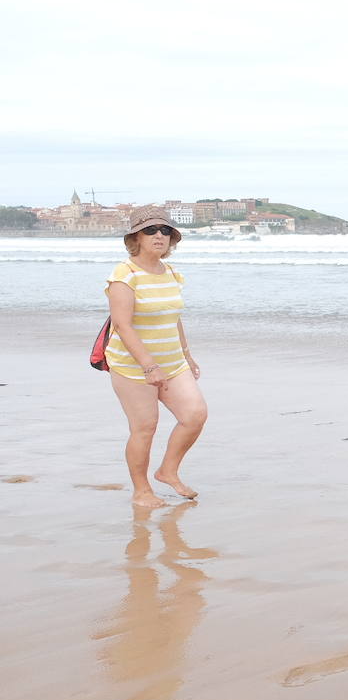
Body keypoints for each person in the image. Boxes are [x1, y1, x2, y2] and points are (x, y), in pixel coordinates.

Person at [104, 205, 208, 509]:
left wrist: (186, 354)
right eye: (151, 230)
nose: (159, 235)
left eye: (165, 230)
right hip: (133, 366)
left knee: (195, 415)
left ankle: (168, 471)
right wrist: (149, 366)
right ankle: (141, 491)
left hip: (173, 363)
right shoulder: (125, 275)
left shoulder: (171, 273)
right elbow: (122, 325)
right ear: (136, 237)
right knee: (145, 427)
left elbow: (173, 317)